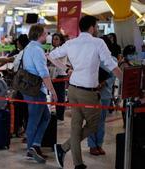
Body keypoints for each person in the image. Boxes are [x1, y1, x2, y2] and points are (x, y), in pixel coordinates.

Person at [49, 15, 122, 169]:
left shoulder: (71, 43)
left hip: (73, 89)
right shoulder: (97, 42)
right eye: (96, 26)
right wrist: (126, 80)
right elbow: (110, 64)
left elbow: (51, 56)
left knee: (76, 127)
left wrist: (67, 69)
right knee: (94, 124)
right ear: (91, 27)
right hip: (87, 92)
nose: (96, 29)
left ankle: (77, 163)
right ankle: (63, 148)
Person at [22, 24, 58, 163]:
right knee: (34, 120)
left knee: (45, 117)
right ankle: (31, 149)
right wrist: (53, 91)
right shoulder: (37, 50)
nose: (47, 36)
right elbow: (44, 74)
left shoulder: (28, 47)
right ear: (39, 35)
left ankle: (35, 145)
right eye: (45, 33)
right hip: (36, 90)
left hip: (29, 89)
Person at [87, 35, 116, 156]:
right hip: (91, 93)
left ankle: (99, 144)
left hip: (105, 94)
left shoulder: (112, 59)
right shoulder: (90, 58)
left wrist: (104, 83)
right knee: (91, 120)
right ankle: (92, 145)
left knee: (101, 121)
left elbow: (114, 76)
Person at [49, 33, 67, 121]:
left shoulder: (61, 50)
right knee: (55, 95)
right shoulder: (53, 49)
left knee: (60, 96)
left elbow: (52, 60)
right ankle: (57, 113)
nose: (54, 41)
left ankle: (60, 116)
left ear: (61, 41)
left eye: (56, 39)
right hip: (53, 75)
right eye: (53, 39)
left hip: (60, 75)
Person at [119, 45, 136, 128]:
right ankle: (126, 123)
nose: (133, 55)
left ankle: (128, 123)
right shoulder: (123, 63)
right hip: (126, 88)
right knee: (126, 106)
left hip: (131, 87)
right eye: (131, 54)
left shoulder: (129, 62)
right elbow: (125, 76)